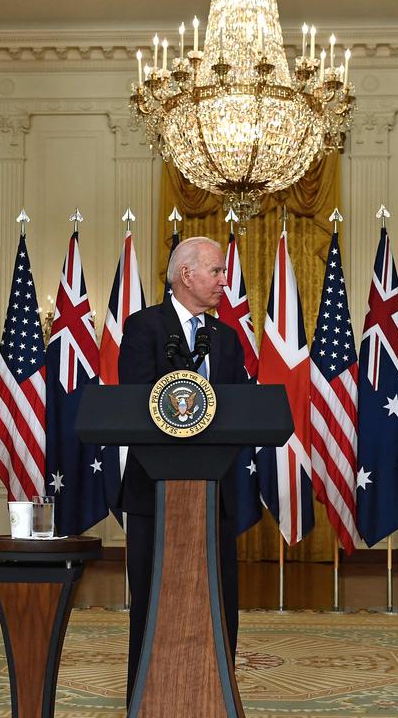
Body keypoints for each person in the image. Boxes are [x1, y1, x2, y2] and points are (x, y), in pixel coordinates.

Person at [116, 236, 248, 701]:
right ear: (186, 275)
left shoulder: (228, 339)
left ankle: (217, 693)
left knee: (219, 600)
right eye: (215, 271)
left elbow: (240, 409)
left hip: (216, 493)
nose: (222, 280)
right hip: (155, 491)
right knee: (153, 600)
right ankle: (145, 695)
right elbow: (135, 399)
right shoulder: (144, 328)